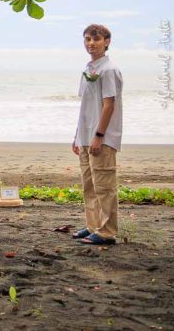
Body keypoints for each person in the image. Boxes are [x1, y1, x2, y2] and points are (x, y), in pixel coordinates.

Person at [71, 24, 123, 245]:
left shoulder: (109, 69)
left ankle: (106, 231)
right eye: (87, 39)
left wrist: (99, 135)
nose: (91, 43)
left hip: (102, 136)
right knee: (89, 185)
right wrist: (77, 136)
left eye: (96, 39)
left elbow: (108, 105)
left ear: (107, 41)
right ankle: (93, 225)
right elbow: (86, 106)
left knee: (104, 186)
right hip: (85, 135)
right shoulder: (89, 68)